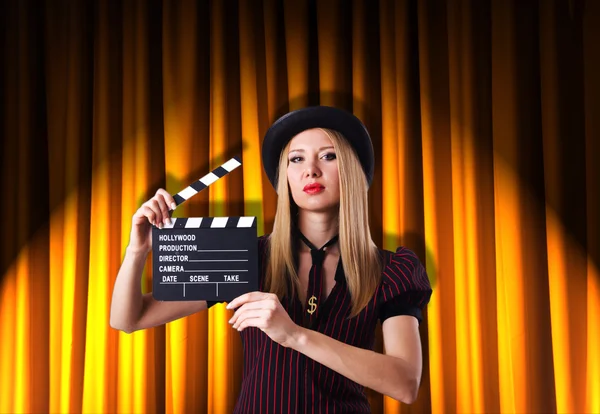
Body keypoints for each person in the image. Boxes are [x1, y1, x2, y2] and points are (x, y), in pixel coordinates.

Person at [110, 106, 432, 413]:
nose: (311, 170)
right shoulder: (245, 254)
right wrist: (137, 251)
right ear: (285, 177)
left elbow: (404, 383)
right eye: (296, 159)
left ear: (351, 169)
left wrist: (295, 335)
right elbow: (128, 319)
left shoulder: (391, 270)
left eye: (328, 155)